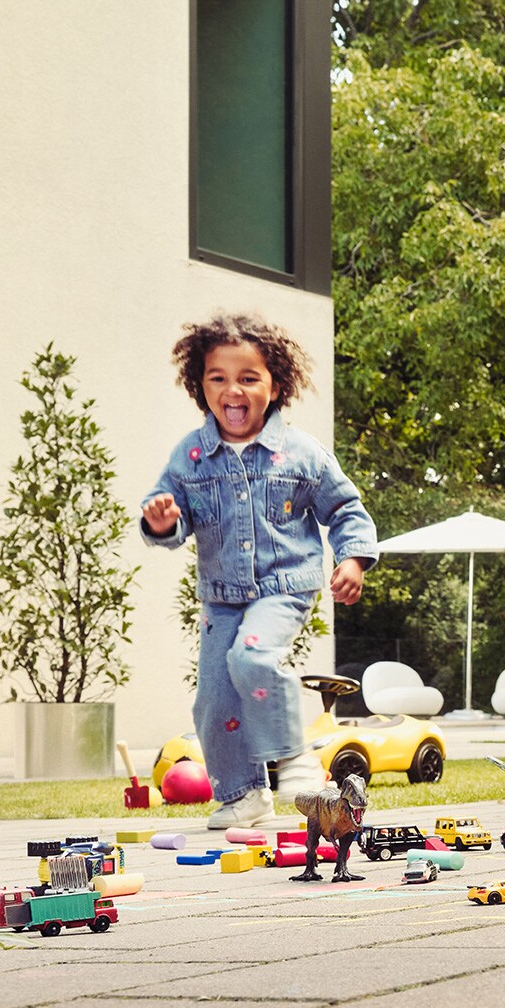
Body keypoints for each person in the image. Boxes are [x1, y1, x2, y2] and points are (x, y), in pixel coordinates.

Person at [140, 314, 377, 829]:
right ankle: (244, 794)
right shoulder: (193, 455)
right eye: (218, 378)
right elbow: (166, 512)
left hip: (284, 586)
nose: (233, 390)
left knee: (252, 658)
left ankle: (295, 756)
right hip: (221, 595)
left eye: (249, 377)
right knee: (213, 698)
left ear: (275, 384)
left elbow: (345, 510)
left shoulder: (302, 453)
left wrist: (353, 559)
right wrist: (161, 520)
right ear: (200, 385)